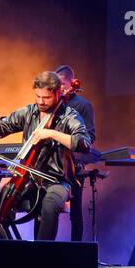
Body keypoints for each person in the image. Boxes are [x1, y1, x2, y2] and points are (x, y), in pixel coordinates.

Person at [0, 71, 92, 241]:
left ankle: (40, 260)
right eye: (38, 96)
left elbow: (84, 142)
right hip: (27, 179)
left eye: (47, 97)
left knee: (49, 205)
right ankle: (11, 255)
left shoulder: (69, 116)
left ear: (58, 93)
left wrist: (50, 134)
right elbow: (1, 124)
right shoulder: (29, 112)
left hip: (57, 181)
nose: (41, 102)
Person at [55, 64, 95, 241]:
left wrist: (71, 144)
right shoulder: (53, 103)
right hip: (51, 165)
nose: (59, 88)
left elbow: (90, 136)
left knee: (75, 212)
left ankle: (76, 250)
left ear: (72, 83)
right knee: (46, 209)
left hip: (73, 165)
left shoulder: (83, 105)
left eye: (62, 83)